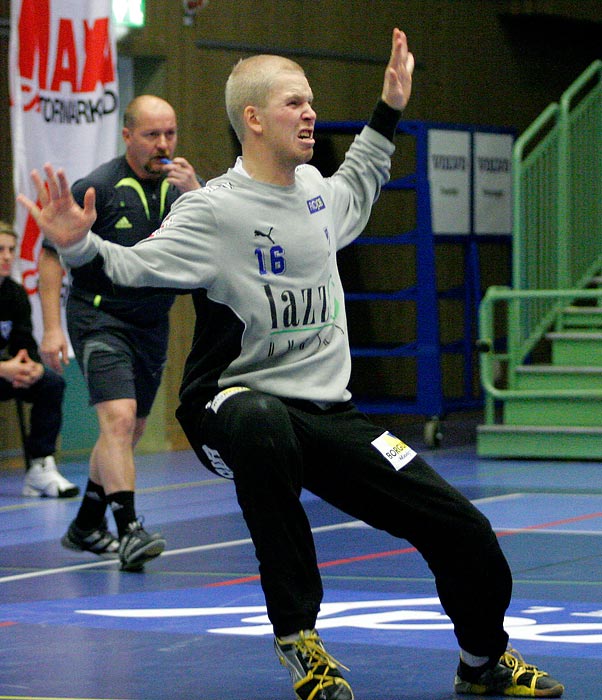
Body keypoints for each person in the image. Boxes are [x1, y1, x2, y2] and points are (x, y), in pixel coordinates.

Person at [20, 29, 564, 699]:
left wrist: (389, 106)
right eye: (293, 103)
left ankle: (483, 662)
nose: (309, 113)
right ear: (252, 118)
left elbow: (359, 175)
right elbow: (134, 268)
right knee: (261, 422)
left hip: (332, 417)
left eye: (310, 102)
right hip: (234, 407)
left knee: (465, 530)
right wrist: (77, 249)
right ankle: (299, 637)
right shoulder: (212, 209)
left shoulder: (313, 189)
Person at [37, 95, 203, 572]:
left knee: (130, 431)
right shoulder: (100, 188)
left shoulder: (184, 186)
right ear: (127, 135)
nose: (164, 144)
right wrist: (51, 328)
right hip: (99, 318)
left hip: (152, 325)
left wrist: (197, 192)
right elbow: (52, 256)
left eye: (170, 133)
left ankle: (87, 525)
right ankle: (129, 529)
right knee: (118, 420)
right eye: (152, 135)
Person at [0, 221, 78, 498]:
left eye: (11, 250)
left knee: (51, 383)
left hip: (8, 374)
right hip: (3, 371)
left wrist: (29, 366)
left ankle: (40, 468)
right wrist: (3, 368)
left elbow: (24, 341)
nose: (7, 256)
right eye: (0, 250)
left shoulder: (14, 293)